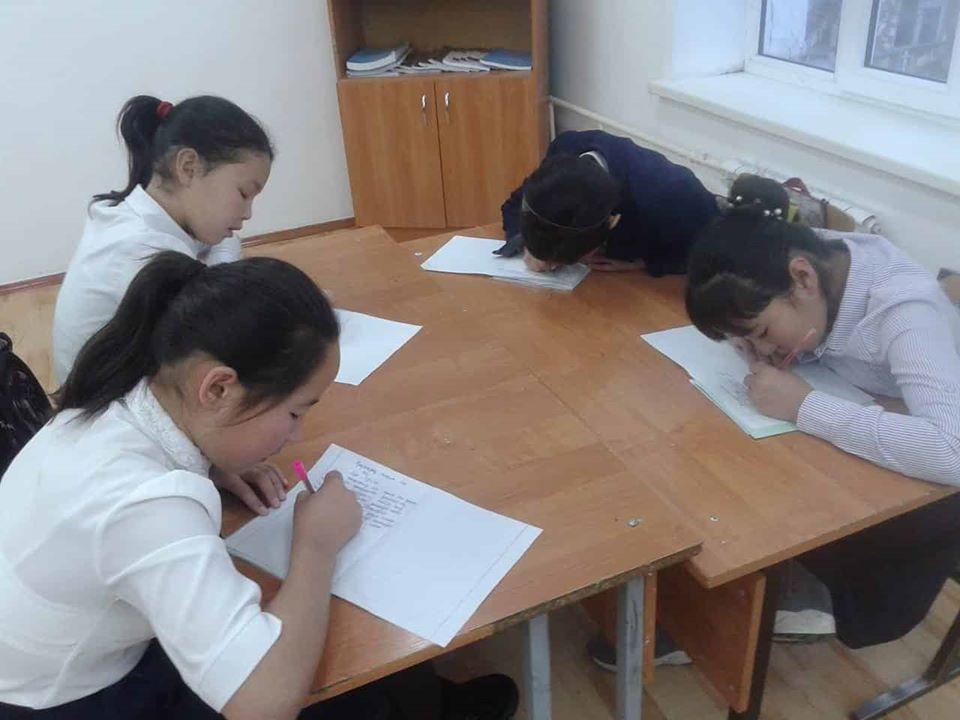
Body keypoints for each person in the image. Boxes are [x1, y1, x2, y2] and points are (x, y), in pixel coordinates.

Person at [0, 252, 518, 719]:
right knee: (336, 678)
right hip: (71, 699)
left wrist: (214, 458)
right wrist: (315, 545)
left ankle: (423, 700)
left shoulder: (129, 389)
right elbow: (262, 704)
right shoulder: (148, 504)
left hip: (64, 652)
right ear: (218, 388)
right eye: (294, 412)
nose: (297, 435)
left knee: (329, 641)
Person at [684, 205, 960, 647]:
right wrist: (750, 339)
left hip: (935, 484)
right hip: (876, 417)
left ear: (803, 278)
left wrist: (805, 406)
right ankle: (752, 585)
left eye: (762, 332)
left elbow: (951, 451)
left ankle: (813, 597)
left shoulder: (905, 310)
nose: (760, 350)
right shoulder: (806, 258)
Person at [52, 94, 272, 385]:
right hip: (106, 400)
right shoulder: (143, 250)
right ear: (188, 167)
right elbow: (221, 330)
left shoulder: (139, 213)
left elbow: (225, 244)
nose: (247, 214)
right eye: (243, 194)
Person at [498, 130, 718, 275]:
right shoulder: (565, 151)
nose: (553, 268)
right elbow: (515, 204)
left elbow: (716, 253)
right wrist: (532, 245)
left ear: (612, 222)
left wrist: (646, 263)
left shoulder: (671, 193)